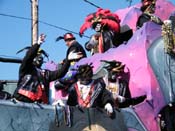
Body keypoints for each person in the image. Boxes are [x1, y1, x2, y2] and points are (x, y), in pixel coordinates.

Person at [13, 34, 71, 104]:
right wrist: (38, 44)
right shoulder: (26, 68)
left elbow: (61, 72)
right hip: (21, 101)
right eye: (38, 55)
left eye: (41, 56)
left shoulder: (45, 73)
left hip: (39, 106)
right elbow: (28, 57)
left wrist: (68, 59)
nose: (40, 58)